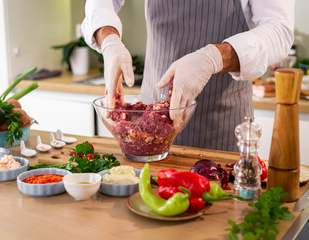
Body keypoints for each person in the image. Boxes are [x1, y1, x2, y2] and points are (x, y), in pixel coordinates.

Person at [82, 0, 294, 152]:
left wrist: (213, 57)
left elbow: (279, 30)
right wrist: (109, 40)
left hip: (221, 121)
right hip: (148, 124)